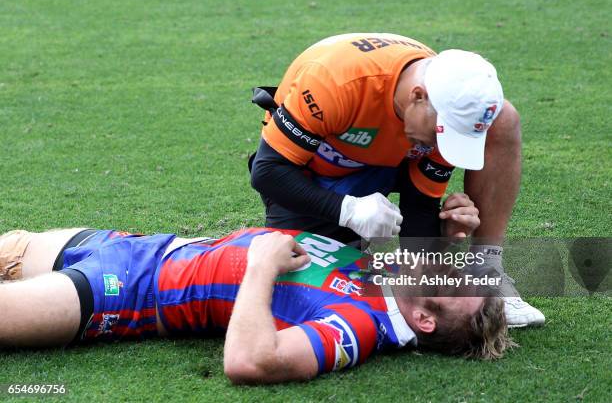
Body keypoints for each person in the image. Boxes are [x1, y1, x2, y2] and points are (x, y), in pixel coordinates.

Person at [249, 32, 544, 327]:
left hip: (388, 162)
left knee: (504, 117)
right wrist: (347, 210)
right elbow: (269, 171)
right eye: (444, 133)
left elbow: (419, 207)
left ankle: (486, 269)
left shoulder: (444, 110)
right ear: (417, 96)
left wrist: (443, 236)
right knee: (297, 286)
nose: (443, 146)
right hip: (314, 173)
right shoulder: (335, 81)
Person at [0, 225, 512, 384]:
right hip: (140, 245)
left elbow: (251, 361)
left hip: (128, 293)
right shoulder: (381, 274)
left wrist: (262, 265)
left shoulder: (358, 327)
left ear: (424, 319)